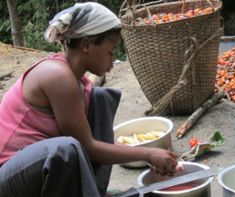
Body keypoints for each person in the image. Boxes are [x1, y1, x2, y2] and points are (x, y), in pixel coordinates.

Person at [0, 2, 178, 197]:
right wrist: (147, 154)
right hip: (8, 177)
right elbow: (86, 146)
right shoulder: (57, 75)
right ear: (86, 45)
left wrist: (150, 155)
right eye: (110, 52)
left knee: (100, 99)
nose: (113, 59)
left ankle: (93, 190)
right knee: (65, 149)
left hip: (35, 172)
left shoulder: (79, 82)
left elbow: (94, 141)